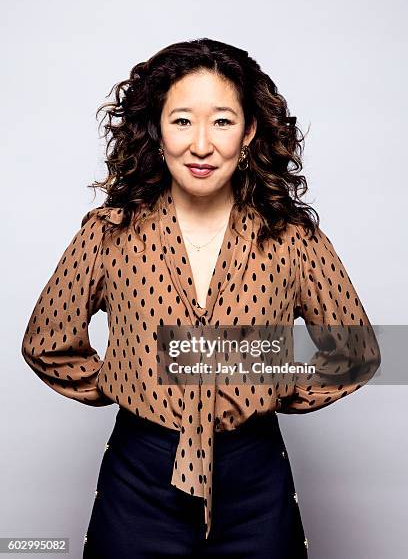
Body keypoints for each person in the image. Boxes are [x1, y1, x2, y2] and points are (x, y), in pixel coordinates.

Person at [21, 38, 380, 558]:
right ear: (157, 130)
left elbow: (358, 352)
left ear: (249, 130)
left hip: (253, 475)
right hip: (141, 473)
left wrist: (270, 382)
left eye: (223, 121)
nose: (202, 145)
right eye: (183, 121)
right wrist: (126, 378)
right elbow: (47, 342)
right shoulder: (109, 233)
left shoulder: (292, 239)